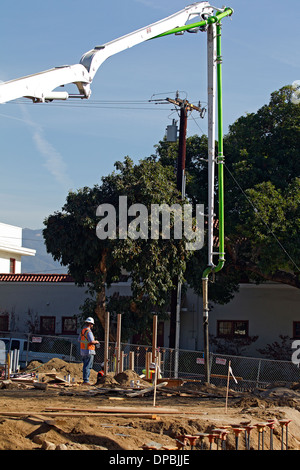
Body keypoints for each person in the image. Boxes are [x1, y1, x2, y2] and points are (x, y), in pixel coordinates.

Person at [80, 317, 99, 384]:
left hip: (83, 351)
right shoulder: (89, 332)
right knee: (88, 366)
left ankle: (85, 379)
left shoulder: (83, 331)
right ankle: (86, 380)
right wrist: (96, 342)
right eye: (92, 324)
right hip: (89, 351)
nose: (92, 326)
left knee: (85, 365)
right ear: (90, 324)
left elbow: (79, 339)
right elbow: (91, 341)